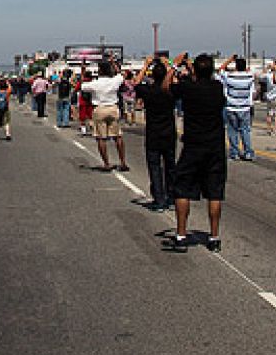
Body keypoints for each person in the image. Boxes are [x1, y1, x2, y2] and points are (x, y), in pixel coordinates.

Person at [164, 53, 227, 253]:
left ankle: (181, 235)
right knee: (215, 192)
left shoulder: (188, 89)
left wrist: (174, 65)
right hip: (215, 146)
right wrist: (195, 68)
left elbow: (166, 87)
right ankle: (214, 236)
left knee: (183, 189)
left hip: (193, 145)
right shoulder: (217, 88)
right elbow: (205, 77)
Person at [136, 58, 178, 211]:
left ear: (152, 75)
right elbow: (175, 81)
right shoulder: (170, 91)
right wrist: (169, 66)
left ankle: (159, 199)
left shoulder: (148, 90)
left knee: (155, 167)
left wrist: (145, 65)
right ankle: (172, 197)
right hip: (169, 132)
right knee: (170, 166)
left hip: (153, 133)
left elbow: (136, 83)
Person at [83, 61, 128, 170]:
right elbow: (121, 75)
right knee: (118, 136)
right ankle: (122, 162)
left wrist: (83, 71)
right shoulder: (114, 81)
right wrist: (114, 64)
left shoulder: (95, 83)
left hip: (100, 108)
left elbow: (83, 86)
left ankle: (106, 163)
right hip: (113, 108)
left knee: (101, 137)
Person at [217, 55, 256, 161]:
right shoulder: (250, 77)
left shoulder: (230, 76)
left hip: (231, 106)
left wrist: (229, 60)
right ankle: (248, 152)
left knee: (232, 130)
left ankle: (235, 153)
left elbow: (220, 70)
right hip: (245, 107)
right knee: (245, 130)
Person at [0, 76, 13, 141]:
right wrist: (7, 81)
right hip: (5, 108)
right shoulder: (8, 91)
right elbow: (10, 86)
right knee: (6, 122)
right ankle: (7, 134)